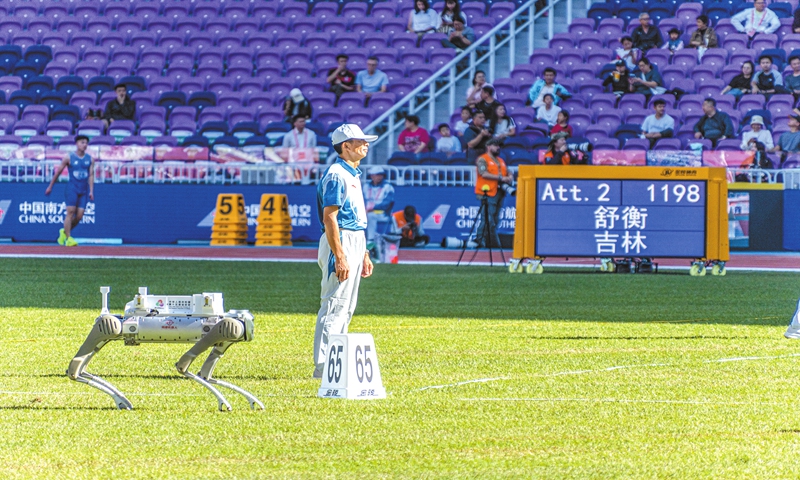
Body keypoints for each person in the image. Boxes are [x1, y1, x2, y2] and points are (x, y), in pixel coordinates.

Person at [313, 123, 376, 379]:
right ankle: (323, 367)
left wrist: (364, 253)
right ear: (345, 146)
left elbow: (354, 218)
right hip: (342, 241)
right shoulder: (337, 175)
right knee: (334, 304)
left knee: (346, 306)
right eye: (360, 141)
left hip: (354, 239)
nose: (366, 144)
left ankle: (335, 363)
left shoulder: (351, 173)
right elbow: (331, 218)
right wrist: (340, 255)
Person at [44, 135, 94, 247]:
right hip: (72, 188)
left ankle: (64, 231)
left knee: (80, 216)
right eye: (82, 142)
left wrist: (91, 190)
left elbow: (91, 175)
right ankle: (68, 238)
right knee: (70, 212)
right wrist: (50, 186)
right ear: (76, 144)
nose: (84, 145)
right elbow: (58, 172)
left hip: (84, 190)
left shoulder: (90, 159)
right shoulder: (69, 157)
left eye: (86, 143)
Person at [474, 137, 512, 248]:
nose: (498, 147)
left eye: (498, 146)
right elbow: (483, 173)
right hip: (487, 192)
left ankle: (490, 240)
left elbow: (508, 171)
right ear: (488, 146)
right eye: (495, 145)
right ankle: (480, 239)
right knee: (487, 217)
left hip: (499, 191)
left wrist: (509, 177)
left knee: (495, 218)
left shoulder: (501, 160)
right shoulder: (483, 159)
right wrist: (500, 178)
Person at [363, 166, 395, 250]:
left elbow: (387, 204)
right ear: (371, 176)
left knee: (371, 215)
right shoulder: (365, 186)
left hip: (382, 213)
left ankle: (370, 240)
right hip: (365, 211)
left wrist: (372, 208)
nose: (378, 177)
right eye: (376, 175)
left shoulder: (388, 187)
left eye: (380, 175)